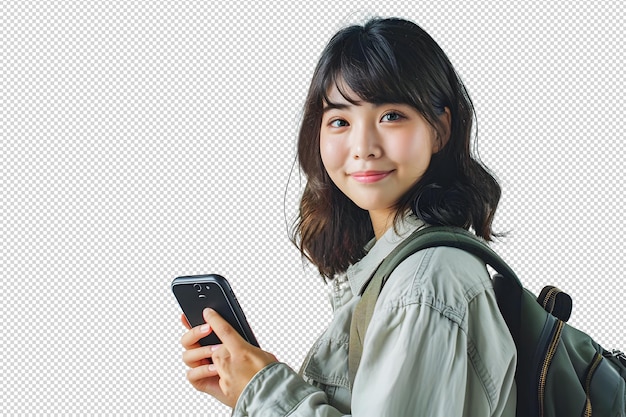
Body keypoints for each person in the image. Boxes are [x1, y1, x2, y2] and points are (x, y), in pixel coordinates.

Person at [180, 17, 517, 416]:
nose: (363, 146)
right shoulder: (393, 269)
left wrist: (263, 391)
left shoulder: (424, 285)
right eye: (340, 120)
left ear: (440, 128)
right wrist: (244, 391)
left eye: (391, 115)